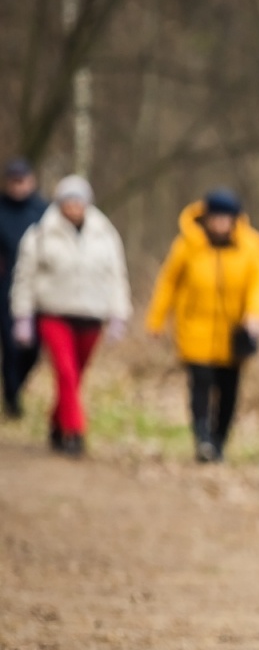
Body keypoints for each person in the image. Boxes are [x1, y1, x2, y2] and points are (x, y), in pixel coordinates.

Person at [146, 188, 259, 463]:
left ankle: (219, 441)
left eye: (225, 219)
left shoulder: (251, 247)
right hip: (195, 328)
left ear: (234, 221)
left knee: (229, 389)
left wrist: (254, 317)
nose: (219, 224)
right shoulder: (187, 245)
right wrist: (156, 319)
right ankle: (202, 438)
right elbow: (168, 282)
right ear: (205, 219)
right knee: (201, 384)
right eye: (215, 218)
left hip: (234, 332)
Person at [9, 175, 133, 456]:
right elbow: (24, 277)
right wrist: (23, 316)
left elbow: (116, 275)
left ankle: (57, 422)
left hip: (92, 315)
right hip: (54, 313)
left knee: (76, 376)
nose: (74, 207)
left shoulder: (104, 232)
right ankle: (75, 432)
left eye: (79, 201)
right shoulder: (41, 233)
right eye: (69, 201)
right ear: (60, 203)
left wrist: (119, 313)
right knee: (65, 372)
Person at [0, 159, 48, 418]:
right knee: (10, 345)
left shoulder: (44, 212)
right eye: (13, 181)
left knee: (32, 349)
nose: (18, 186)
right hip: (5, 288)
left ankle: (15, 386)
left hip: (36, 291)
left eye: (22, 180)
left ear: (31, 181)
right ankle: (12, 397)